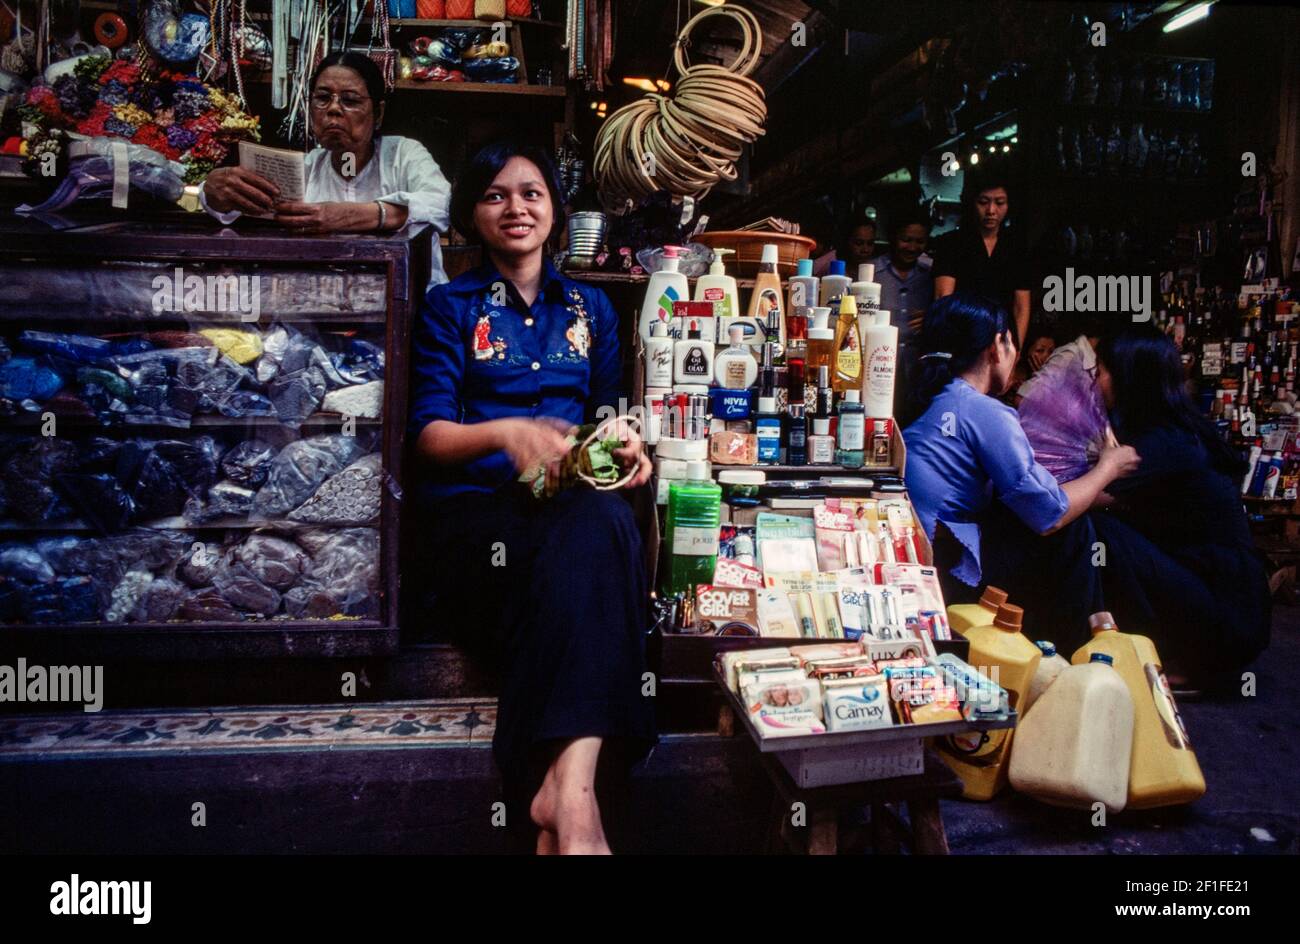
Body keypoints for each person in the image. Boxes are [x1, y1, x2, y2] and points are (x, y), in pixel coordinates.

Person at [407, 140, 655, 855]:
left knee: (604, 519)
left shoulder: (594, 309)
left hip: (564, 517)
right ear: (473, 215)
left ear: (555, 209)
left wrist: (624, 447)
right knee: (593, 565)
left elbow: (609, 418)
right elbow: (426, 436)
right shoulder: (448, 309)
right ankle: (570, 804)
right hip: (475, 527)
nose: (515, 207)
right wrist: (505, 432)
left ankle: (567, 804)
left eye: (532, 193)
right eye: (495, 195)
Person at [903, 293, 1140, 640]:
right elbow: (1050, 514)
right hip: (949, 568)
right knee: (1074, 533)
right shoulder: (983, 411)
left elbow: (1028, 492)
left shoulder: (939, 397)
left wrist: (1104, 496)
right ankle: (1082, 652)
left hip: (941, 552)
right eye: (1012, 342)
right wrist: (1109, 466)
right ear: (996, 347)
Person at [1093, 327, 1270, 685]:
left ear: (1129, 377)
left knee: (1098, 528)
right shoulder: (1173, 430)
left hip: (1225, 621)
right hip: (1229, 609)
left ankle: (1165, 657)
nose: (1095, 381)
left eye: (1101, 370)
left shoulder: (1164, 443)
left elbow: (1082, 497)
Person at [200, 51, 453, 283]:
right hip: (321, 313)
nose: (333, 109)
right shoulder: (304, 170)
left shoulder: (403, 155)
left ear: (379, 113)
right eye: (322, 98)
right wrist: (214, 193)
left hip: (409, 310)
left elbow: (440, 205)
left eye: (350, 100)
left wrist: (355, 216)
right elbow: (229, 207)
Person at [931, 177, 1033, 343]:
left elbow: (1022, 306)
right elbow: (943, 298)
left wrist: (1017, 349)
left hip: (1003, 339)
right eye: (983, 202)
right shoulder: (951, 243)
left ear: (1009, 205)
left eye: (999, 203)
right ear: (972, 202)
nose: (991, 210)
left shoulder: (1017, 248)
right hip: (961, 337)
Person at [871, 215, 933, 426]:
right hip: (879, 366)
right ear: (892, 238)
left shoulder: (932, 273)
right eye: (906, 240)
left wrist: (932, 317)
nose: (912, 247)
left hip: (918, 365)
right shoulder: (872, 272)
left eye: (919, 241)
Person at [1004, 324, 1055, 402]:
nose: (1047, 357)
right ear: (1026, 351)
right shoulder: (1007, 377)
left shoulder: (1052, 380)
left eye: (1051, 351)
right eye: (1040, 350)